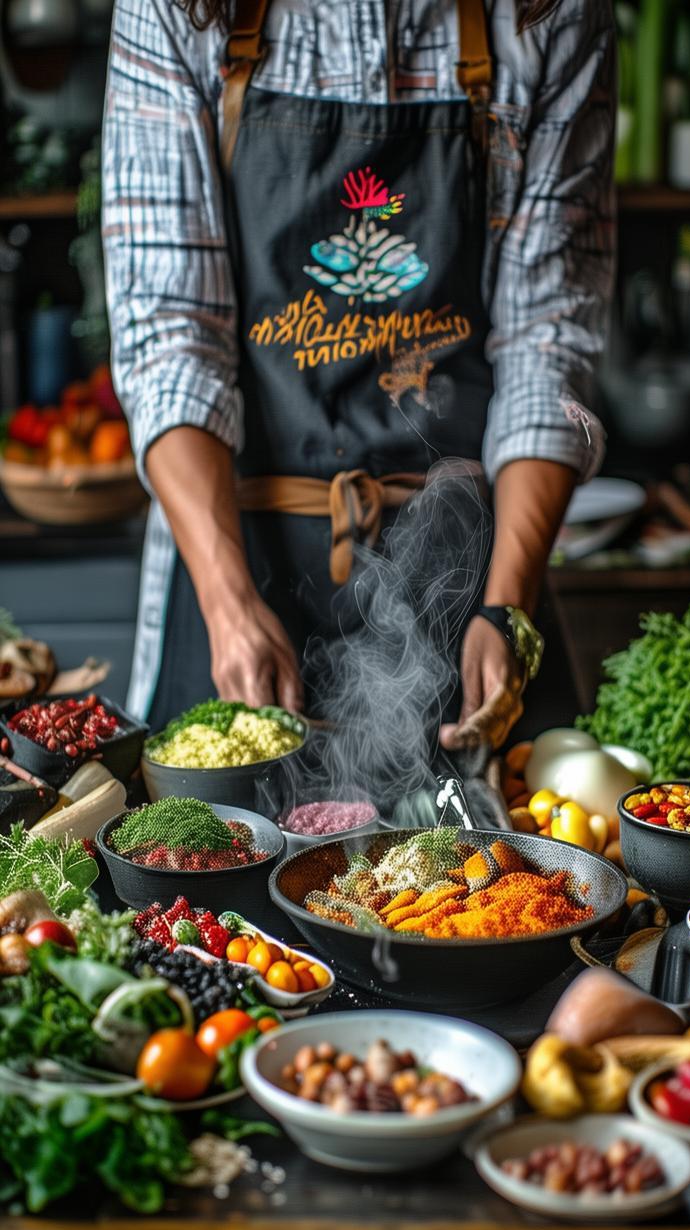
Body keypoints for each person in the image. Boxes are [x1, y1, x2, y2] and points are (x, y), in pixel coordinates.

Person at [103, 0, 616, 743]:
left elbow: (548, 342)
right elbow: (169, 339)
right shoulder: (182, 9)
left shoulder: (547, 13)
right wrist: (228, 601)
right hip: (238, 559)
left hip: (473, 574)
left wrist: (507, 609)